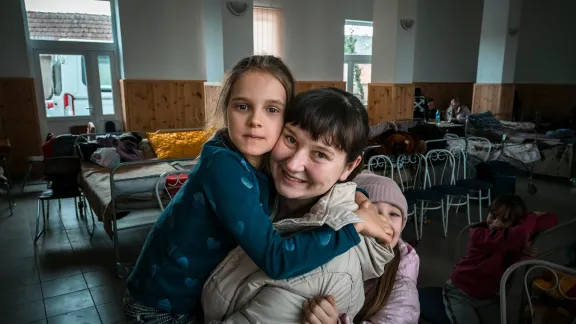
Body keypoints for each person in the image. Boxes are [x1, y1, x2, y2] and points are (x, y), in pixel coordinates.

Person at [122, 56, 389, 323]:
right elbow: (276, 259)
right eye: (242, 106)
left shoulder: (259, 159)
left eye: (272, 110)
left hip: (189, 300)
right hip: (158, 309)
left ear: (284, 117)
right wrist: (353, 225)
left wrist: (359, 198)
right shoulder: (224, 166)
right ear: (225, 109)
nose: (255, 122)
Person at [202, 88, 396, 324]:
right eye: (291, 139)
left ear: (349, 167)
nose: (293, 164)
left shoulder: (326, 267)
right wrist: (360, 197)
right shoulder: (255, 183)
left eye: (321, 155)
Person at [300, 172, 421, 324]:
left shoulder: (402, 282)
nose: (384, 221)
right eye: (374, 211)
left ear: (403, 223)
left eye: (394, 214)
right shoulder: (328, 249)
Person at [443, 195, 558, 324]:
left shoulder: (510, 239)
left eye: (505, 220)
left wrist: (521, 243)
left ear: (514, 224)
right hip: (460, 293)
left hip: (488, 297)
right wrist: (531, 217)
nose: (496, 223)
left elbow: (551, 219)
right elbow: (518, 234)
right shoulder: (479, 234)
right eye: (492, 216)